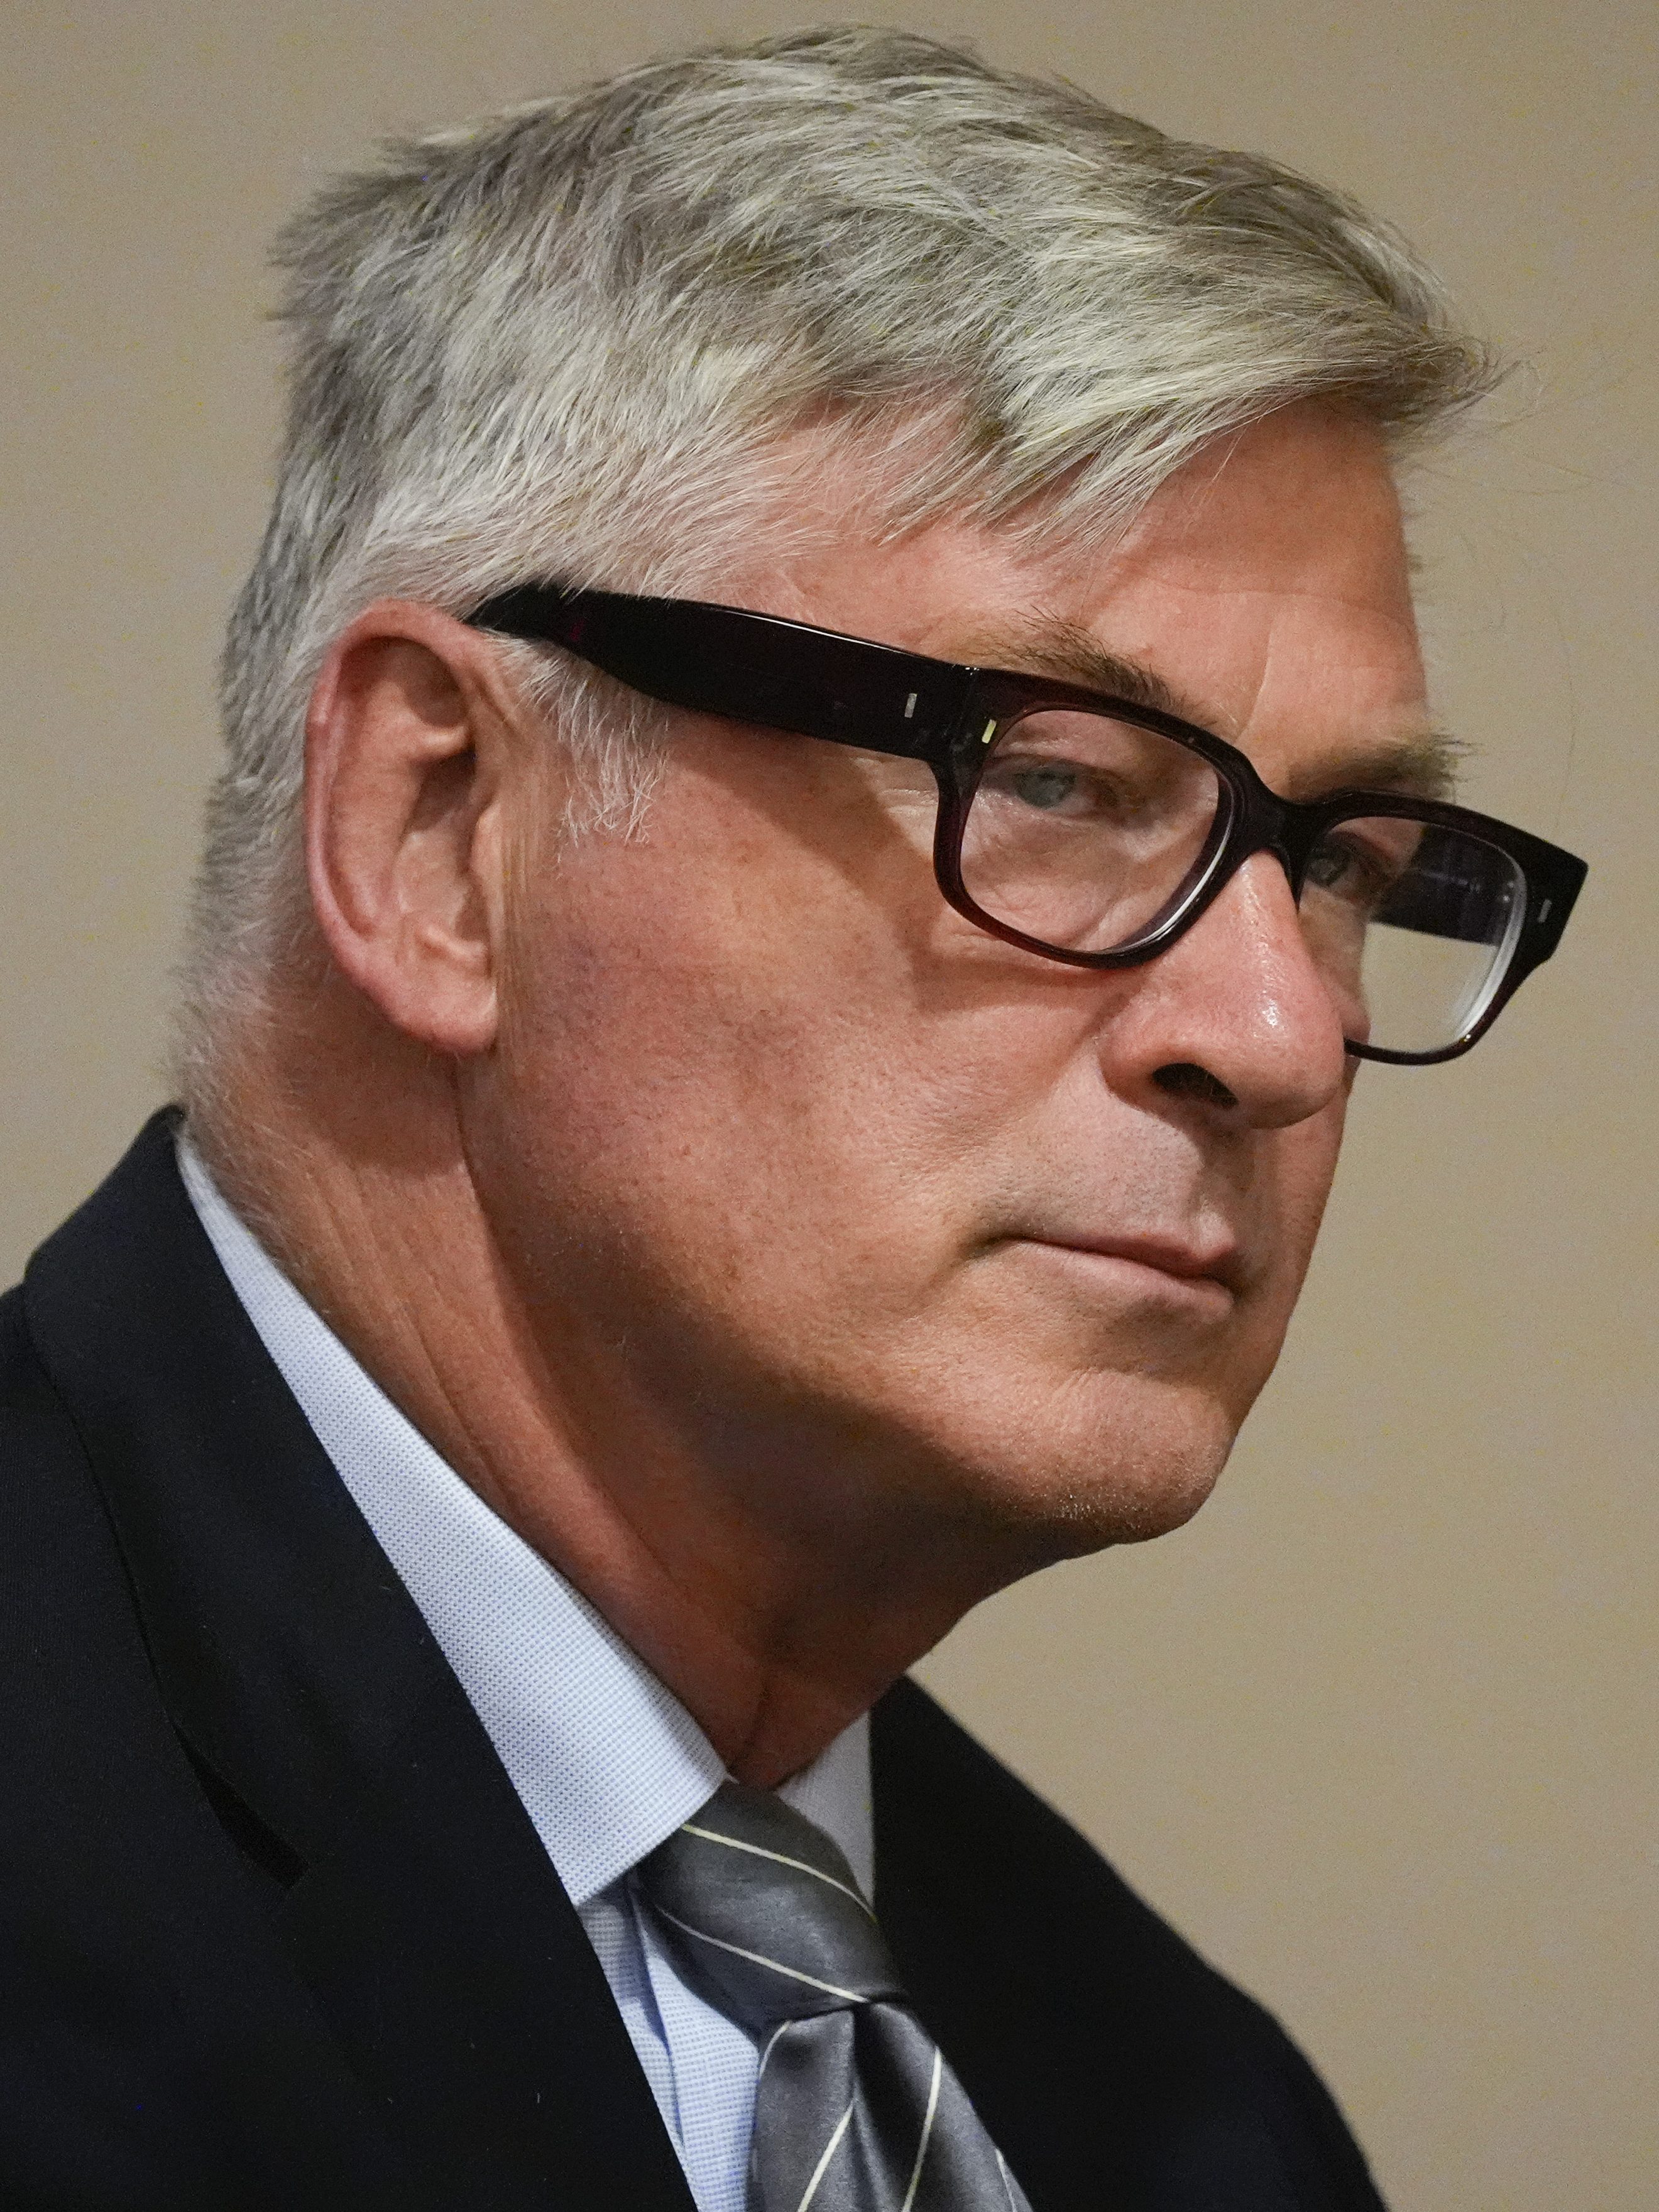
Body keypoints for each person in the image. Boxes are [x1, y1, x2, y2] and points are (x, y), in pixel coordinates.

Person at [0, 26, 1585, 2212]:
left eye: (1344, 862)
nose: (1283, 1030)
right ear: (440, 830)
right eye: (1057, 781)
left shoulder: (1202, 2124)